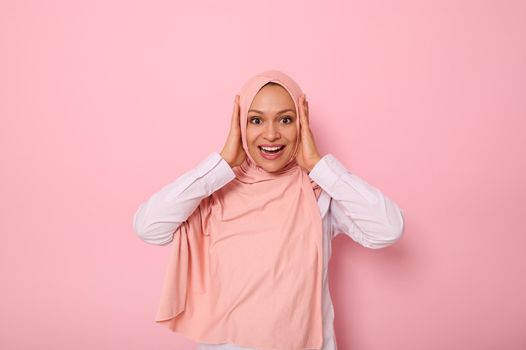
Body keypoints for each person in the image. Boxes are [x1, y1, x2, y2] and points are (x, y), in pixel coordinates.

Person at [133, 70, 405, 350]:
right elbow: (149, 227)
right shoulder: (213, 189)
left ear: (302, 124)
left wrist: (318, 165)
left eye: (286, 119)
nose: (271, 133)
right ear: (239, 125)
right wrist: (222, 163)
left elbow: (387, 229)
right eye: (256, 120)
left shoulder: (318, 191)